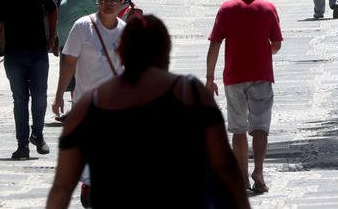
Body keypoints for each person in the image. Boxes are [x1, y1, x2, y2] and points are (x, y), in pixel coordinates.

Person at [46, 16, 251, 209]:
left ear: (121, 52)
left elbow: (62, 187)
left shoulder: (90, 106)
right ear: (166, 53)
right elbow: (225, 166)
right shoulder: (191, 94)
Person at [206, 0, 283, 195]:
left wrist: (210, 78)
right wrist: (264, 52)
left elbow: (215, 44)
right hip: (261, 74)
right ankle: (258, 171)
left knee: (238, 129)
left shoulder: (227, 9)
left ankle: (242, 178)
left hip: (234, 76)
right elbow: (277, 44)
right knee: (260, 127)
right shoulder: (268, 8)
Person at [52, 0, 126, 203]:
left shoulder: (125, 31)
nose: (108, 4)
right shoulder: (83, 27)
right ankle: (90, 190)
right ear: (98, 2)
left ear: (122, 3)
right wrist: (58, 95)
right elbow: (69, 63)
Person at [0, 0, 58, 160]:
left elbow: (53, 10)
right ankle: (22, 144)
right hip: (14, 54)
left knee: (39, 96)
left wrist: (52, 37)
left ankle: (38, 134)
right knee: (19, 99)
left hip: (38, 52)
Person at [54, 0, 98, 116]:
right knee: (71, 81)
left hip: (78, 46)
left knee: (77, 80)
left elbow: (97, 16)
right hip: (65, 44)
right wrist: (56, 39)